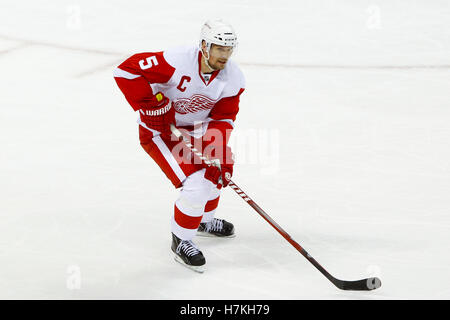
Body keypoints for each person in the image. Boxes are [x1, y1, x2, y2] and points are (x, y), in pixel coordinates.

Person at [113, 19, 245, 273]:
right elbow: (126, 71)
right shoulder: (176, 60)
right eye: (219, 48)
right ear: (204, 46)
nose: (224, 55)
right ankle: (182, 239)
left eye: (228, 50)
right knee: (196, 183)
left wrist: (212, 148)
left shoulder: (234, 77)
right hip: (161, 132)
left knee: (216, 171)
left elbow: (224, 117)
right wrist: (151, 107)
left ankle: (203, 221)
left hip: (198, 129)